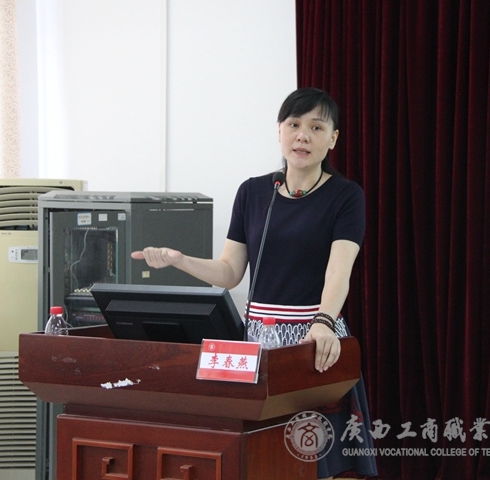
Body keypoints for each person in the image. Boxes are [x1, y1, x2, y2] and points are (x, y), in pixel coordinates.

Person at [132, 87, 377, 479]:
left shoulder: (345, 196)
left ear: (332, 139)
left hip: (313, 339)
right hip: (256, 340)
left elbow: (339, 272)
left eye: (316, 128)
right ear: (279, 131)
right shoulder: (253, 192)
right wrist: (180, 261)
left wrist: (323, 324)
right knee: (257, 459)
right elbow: (230, 273)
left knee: (314, 461)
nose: (302, 136)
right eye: (294, 125)